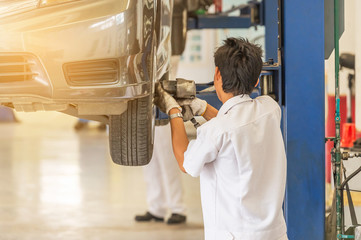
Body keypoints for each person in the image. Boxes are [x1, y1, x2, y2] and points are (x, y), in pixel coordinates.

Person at [154, 37, 288, 240]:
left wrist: (173, 111)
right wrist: (204, 108)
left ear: (217, 74)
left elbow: (185, 162)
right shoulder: (270, 109)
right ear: (257, 81)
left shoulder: (216, 131)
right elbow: (235, 125)